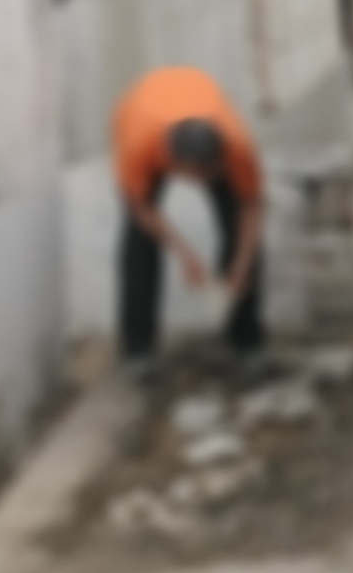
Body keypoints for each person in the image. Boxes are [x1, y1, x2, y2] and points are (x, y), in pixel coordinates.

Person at [113, 67, 265, 378]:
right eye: (194, 175)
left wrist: (241, 265)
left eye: (208, 175)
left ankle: (246, 342)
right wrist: (185, 255)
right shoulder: (139, 146)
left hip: (202, 99)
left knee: (244, 242)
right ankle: (138, 350)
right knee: (138, 242)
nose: (200, 182)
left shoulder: (238, 147)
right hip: (142, 106)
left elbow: (251, 208)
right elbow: (140, 208)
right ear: (172, 163)